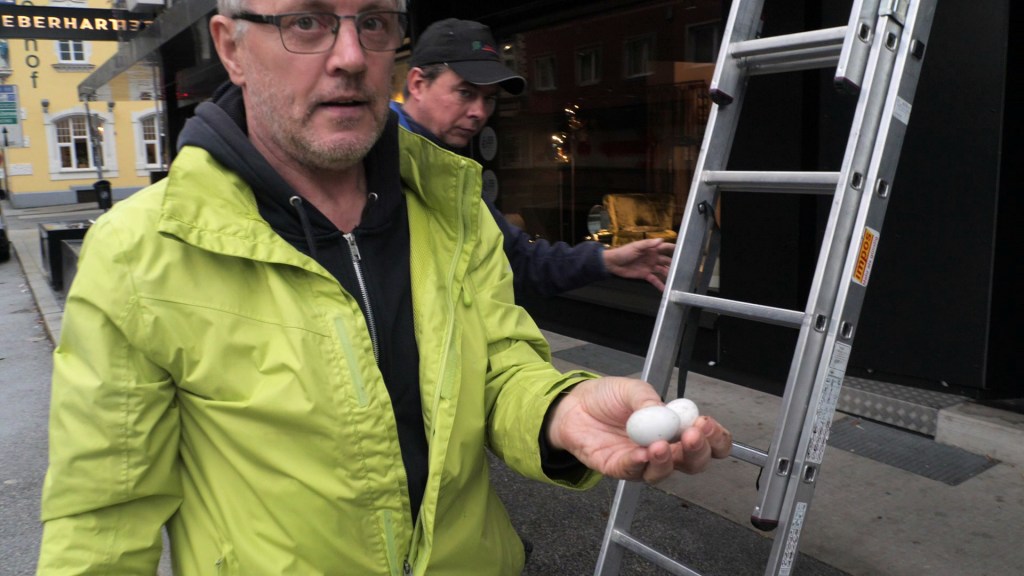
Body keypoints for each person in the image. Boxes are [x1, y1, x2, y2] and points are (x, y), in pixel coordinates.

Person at [36, 1, 732, 574]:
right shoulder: (139, 253)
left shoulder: (454, 208)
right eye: (305, 21)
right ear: (231, 47)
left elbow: (498, 365)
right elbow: (102, 518)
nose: (349, 55)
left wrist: (561, 407)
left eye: (372, 22)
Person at [391, 18, 675, 298]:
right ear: (418, 84)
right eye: (465, 93)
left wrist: (605, 260)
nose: (479, 112)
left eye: (489, 98)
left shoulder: (452, 174)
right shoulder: (375, 165)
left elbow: (518, 259)